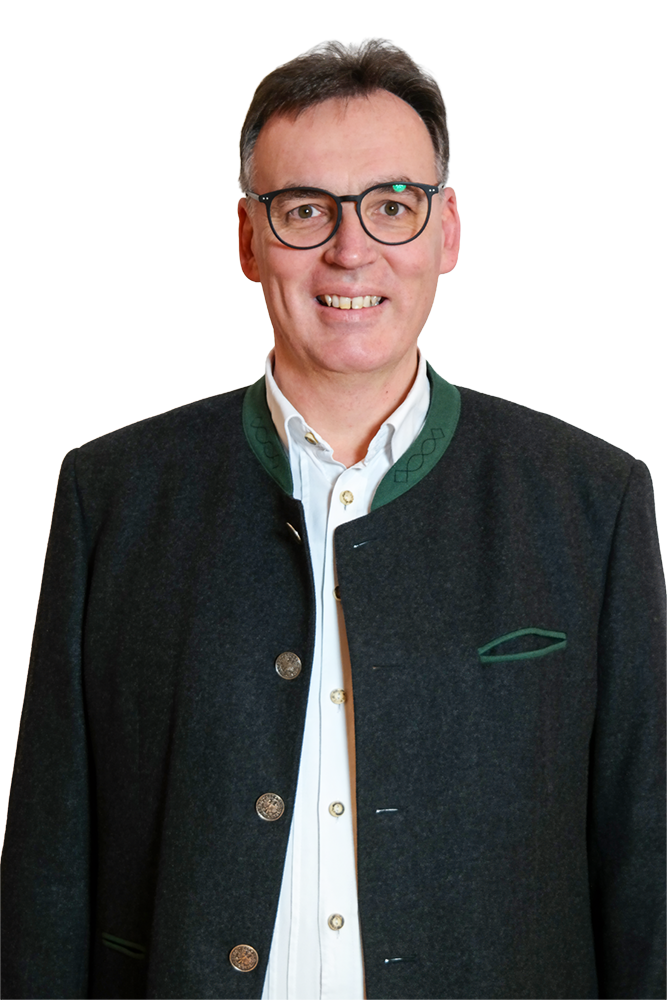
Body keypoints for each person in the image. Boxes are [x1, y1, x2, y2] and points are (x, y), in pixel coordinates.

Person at [0, 38, 665, 1000]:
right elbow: (47, 872)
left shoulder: (589, 501)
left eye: (392, 205)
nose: (351, 250)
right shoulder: (113, 497)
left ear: (445, 231)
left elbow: (647, 870)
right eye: (304, 209)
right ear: (248, 239)